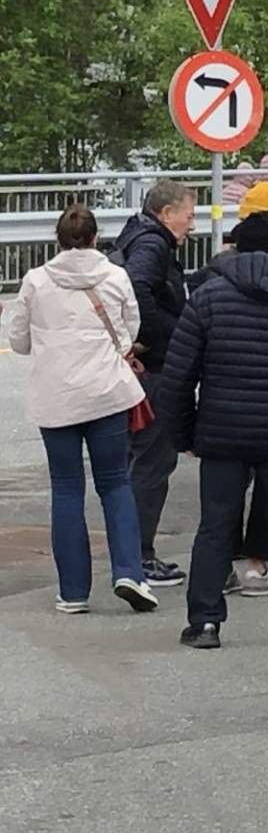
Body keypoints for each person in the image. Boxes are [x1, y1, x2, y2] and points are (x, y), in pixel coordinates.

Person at [160, 203, 268, 649]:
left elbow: (178, 376)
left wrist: (186, 434)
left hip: (220, 432)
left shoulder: (208, 297)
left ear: (237, 247)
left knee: (215, 526)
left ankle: (205, 622)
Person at [6, 205, 160, 615]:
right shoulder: (115, 275)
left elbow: (18, 342)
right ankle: (129, 572)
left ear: (57, 240)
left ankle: (73, 592)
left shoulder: (36, 281)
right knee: (115, 483)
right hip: (107, 392)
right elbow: (130, 332)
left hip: (56, 399)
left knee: (67, 487)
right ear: (95, 238)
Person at [114, 179, 196, 587]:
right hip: (157, 370)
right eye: (188, 215)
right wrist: (169, 334)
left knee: (138, 461)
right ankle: (140, 557)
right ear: (166, 214)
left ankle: (131, 555)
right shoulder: (153, 245)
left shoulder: (138, 235)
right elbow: (136, 286)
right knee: (153, 462)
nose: (192, 225)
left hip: (141, 370)